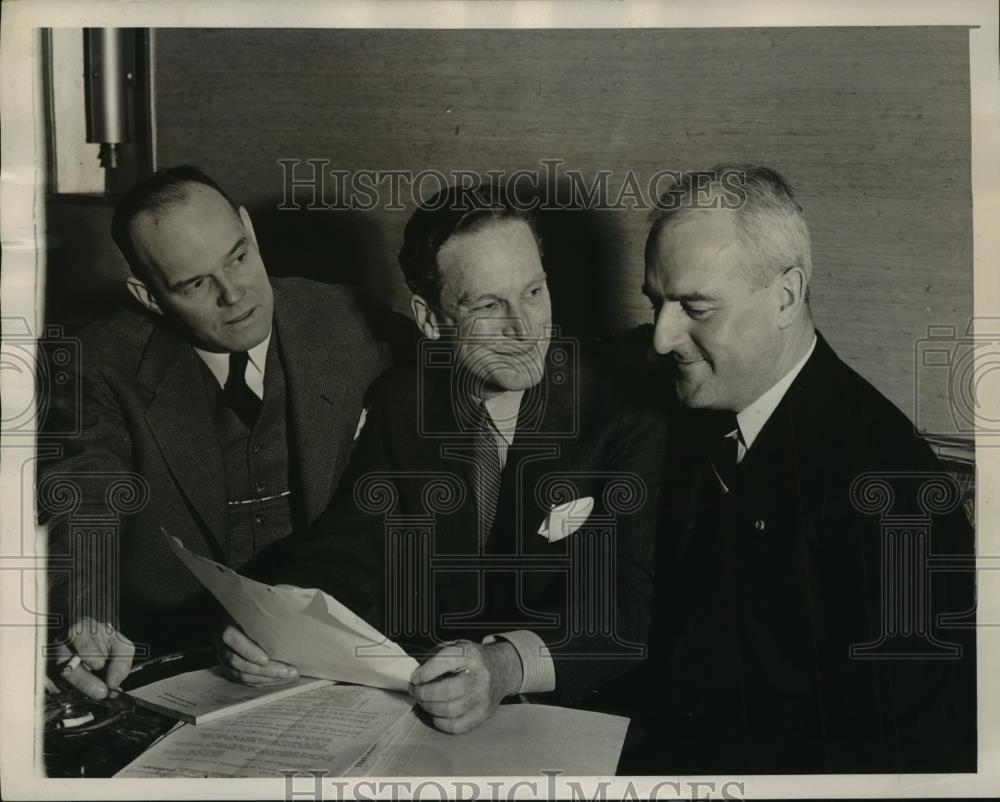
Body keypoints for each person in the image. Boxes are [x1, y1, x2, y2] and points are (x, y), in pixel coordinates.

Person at [217, 184, 665, 733]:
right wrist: (276, 621)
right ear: (430, 321)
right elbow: (352, 544)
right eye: (488, 306)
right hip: (425, 712)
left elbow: (630, 604)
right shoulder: (403, 402)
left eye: (533, 292)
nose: (525, 331)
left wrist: (503, 666)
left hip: (571, 716)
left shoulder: (625, 411)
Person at [624, 164, 976, 773]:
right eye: (658, 303)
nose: (662, 338)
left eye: (695, 307)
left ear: (786, 297)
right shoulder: (701, 400)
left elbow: (902, 754)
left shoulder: (894, 491)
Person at [41, 166, 387, 700]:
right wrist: (86, 614)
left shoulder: (350, 323)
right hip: (168, 660)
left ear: (248, 228)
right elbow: (85, 497)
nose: (235, 294)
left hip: (335, 657)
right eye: (196, 283)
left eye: (239, 256)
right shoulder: (97, 363)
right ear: (149, 295)